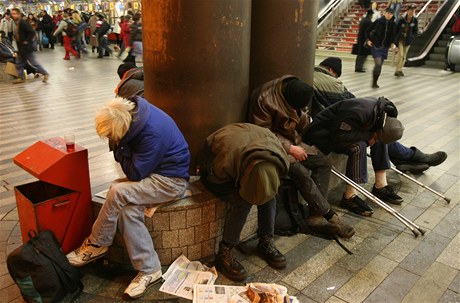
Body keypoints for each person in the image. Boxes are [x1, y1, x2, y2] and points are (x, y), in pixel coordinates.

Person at [66, 96, 191, 299]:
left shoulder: (151, 132)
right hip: (153, 175)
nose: (110, 141)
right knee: (126, 210)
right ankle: (150, 270)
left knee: (117, 191)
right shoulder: (133, 116)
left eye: (111, 137)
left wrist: (121, 146)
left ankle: (97, 243)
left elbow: (135, 173)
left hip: (171, 181)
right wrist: (121, 144)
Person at [249, 75, 355, 239]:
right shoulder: (264, 98)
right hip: (274, 148)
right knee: (301, 172)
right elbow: (262, 133)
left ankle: (316, 216)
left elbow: (304, 121)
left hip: (295, 142)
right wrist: (290, 148)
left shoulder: (299, 94)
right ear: (287, 99)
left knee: (324, 163)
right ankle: (329, 215)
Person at [312, 57, 447, 174]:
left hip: (327, 123)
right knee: (377, 131)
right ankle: (411, 157)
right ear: (331, 70)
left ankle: (406, 158)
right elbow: (353, 104)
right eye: (336, 74)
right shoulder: (332, 82)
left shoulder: (311, 73)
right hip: (331, 129)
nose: (336, 78)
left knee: (377, 131)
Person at [201, 123, 290, 282]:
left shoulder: (279, 158)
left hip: (247, 149)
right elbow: (215, 177)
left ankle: (265, 240)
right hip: (214, 166)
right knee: (241, 200)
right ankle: (225, 251)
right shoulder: (227, 159)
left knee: (268, 190)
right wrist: (242, 187)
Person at [306, 97, 405, 216]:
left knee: (379, 141)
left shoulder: (386, 114)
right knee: (359, 146)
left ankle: (381, 184)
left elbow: (380, 133)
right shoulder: (358, 112)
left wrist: (373, 137)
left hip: (348, 131)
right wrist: (368, 137)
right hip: (323, 133)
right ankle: (349, 196)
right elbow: (338, 134)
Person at [10, 8, 49, 84]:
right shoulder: (17, 22)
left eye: (14, 13)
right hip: (21, 48)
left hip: (26, 48)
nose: (13, 15)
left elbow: (31, 32)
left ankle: (45, 73)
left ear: (18, 14)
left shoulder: (23, 23)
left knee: (33, 63)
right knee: (19, 63)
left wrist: (26, 41)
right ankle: (20, 77)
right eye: (12, 13)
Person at [366, 7, 397, 88]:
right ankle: (373, 82)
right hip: (376, 46)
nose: (389, 15)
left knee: (380, 66)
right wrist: (368, 39)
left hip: (385, 47)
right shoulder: (379, 21)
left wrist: (393, 43)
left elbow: (394, 35)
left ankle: (375, 82)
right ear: (384, 13)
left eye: (391, 14)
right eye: (387, 13)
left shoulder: (393, 24)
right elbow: (368, 30)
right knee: (378, 64)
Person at [394, 4, 418, 77]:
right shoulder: (401, 19)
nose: (411, 12)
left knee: (404, 56)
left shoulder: (414, 20)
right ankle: (397, 70)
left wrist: (412, 37)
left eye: (413, 11)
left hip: (408, 41)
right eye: (410, 10)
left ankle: (400, 69)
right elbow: (395, 29)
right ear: (407, 11)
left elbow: (415, 31)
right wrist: (395, 40)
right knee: (400, 55)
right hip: (400, 39)